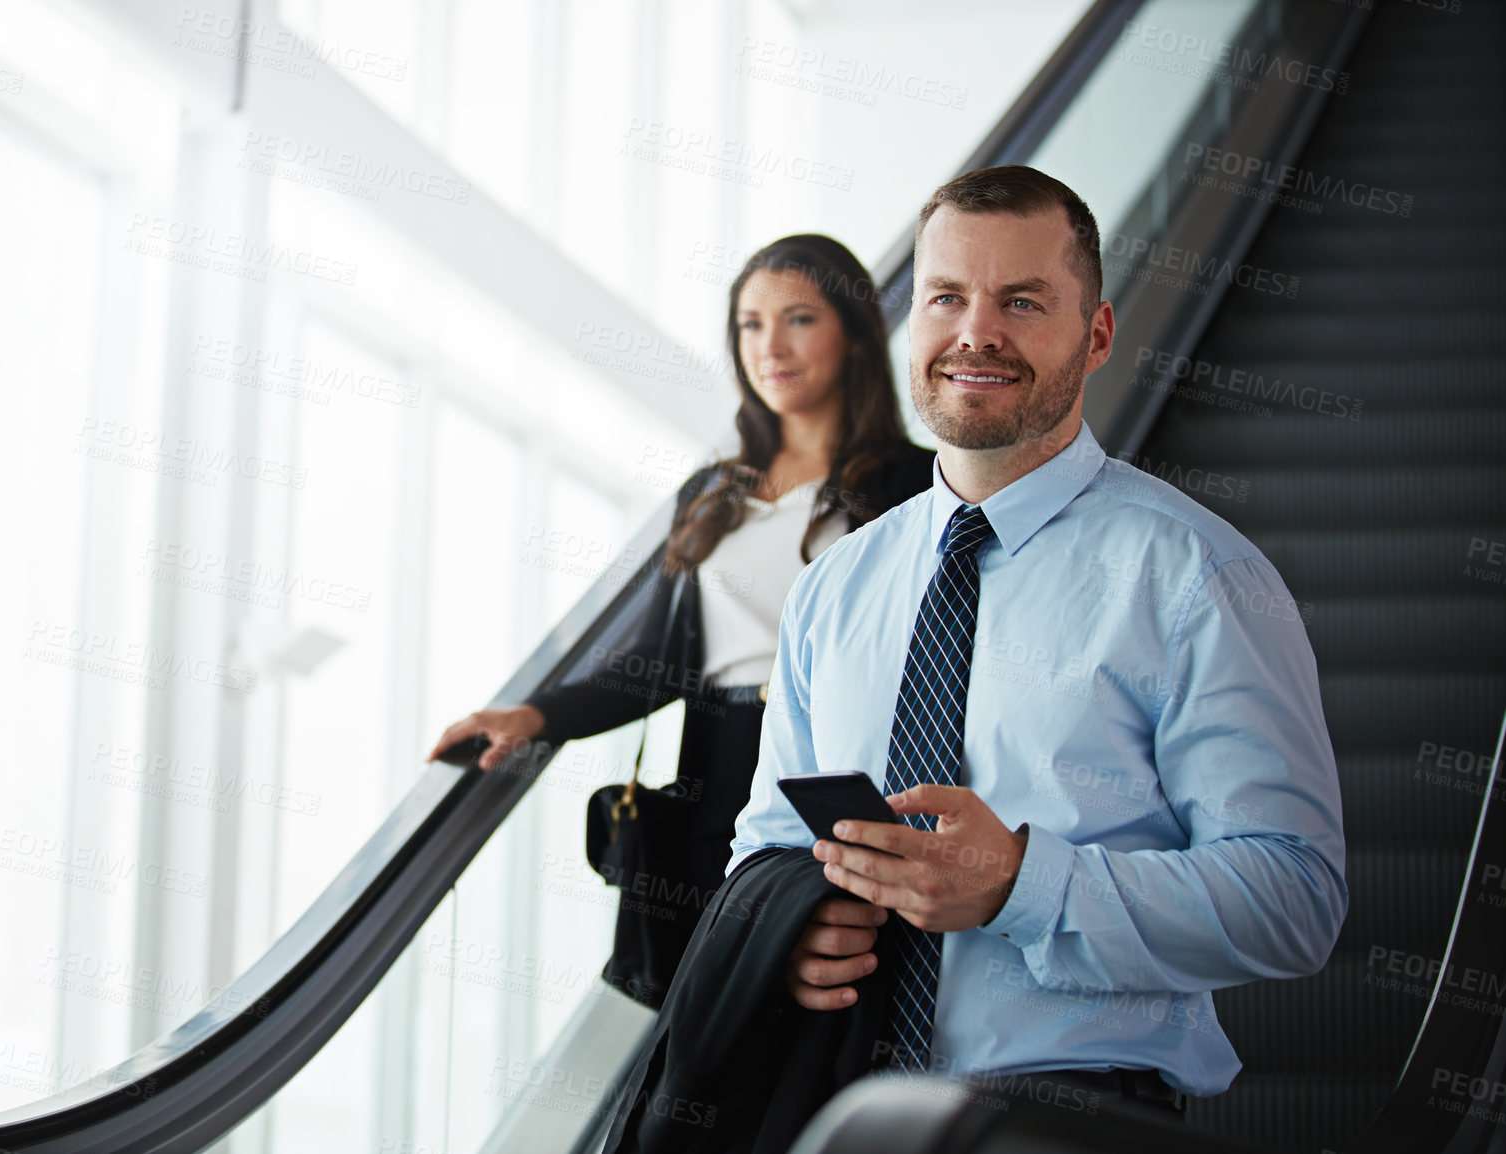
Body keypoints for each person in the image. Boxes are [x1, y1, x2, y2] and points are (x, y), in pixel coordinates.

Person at [728, 166, 1348, 1114]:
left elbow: (1292, 900)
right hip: (845, 1104)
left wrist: (1024, 883)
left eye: (1021, 300)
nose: (976, 332)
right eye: (947, 298)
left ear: (1095, 335)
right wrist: (790, 936)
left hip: (1071, 1114)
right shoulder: (834, 588)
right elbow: (769, 845)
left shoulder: (1195, 578)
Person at [427, 234, 936, 1005]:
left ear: (854, 332)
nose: (769, 346)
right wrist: (534, 714)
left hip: (830, 774)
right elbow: (657, 661)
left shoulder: (913, 484)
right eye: (749, 324)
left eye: (798, 318)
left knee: (821, 997)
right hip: (714, 775)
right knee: (708, 1012)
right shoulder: (711, 491)